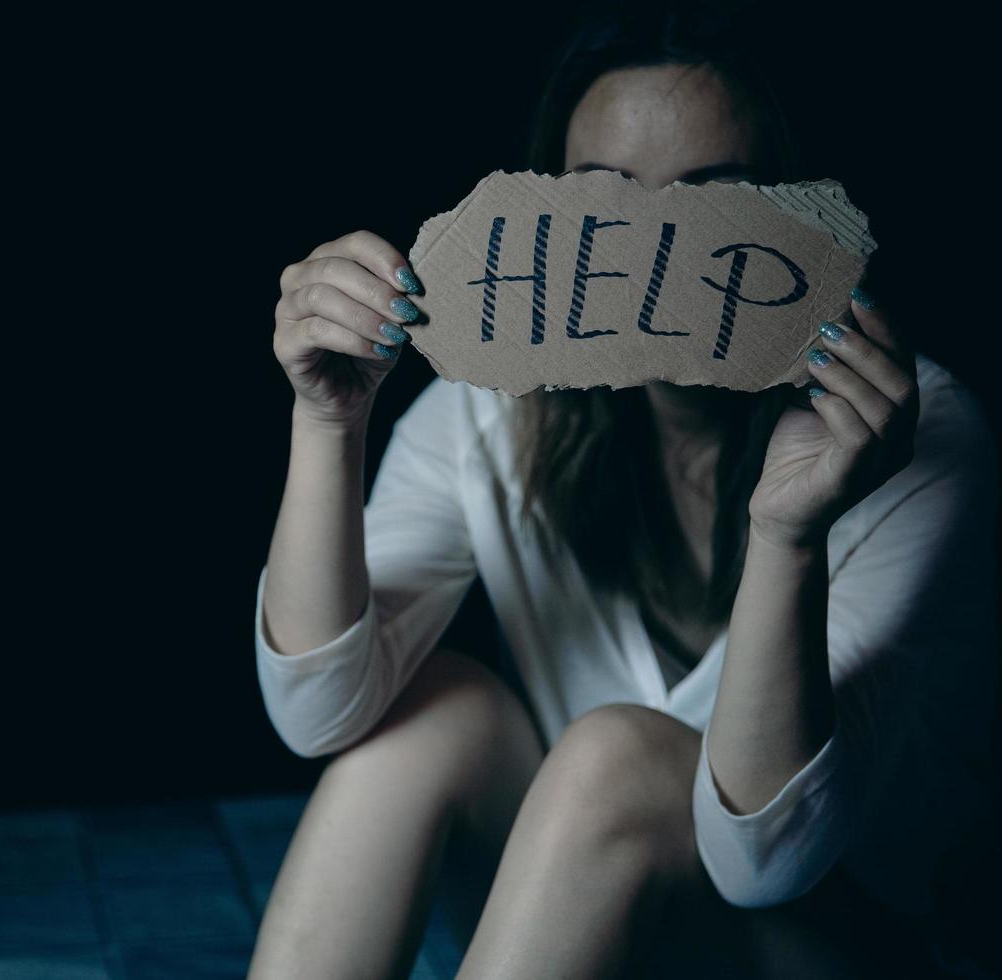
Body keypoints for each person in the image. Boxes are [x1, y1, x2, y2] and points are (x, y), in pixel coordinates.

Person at [246, 7, 997, 979]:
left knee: (612, 753)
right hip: (578, 912)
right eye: (608, 203)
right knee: (429, 715)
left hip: (828, 938)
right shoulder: (494, 401)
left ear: (795, 216)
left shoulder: (922, 434)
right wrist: (328, 422)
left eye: (710, 200)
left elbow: (769, 857)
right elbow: (321, 715)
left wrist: (788, 530)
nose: (651, 251)